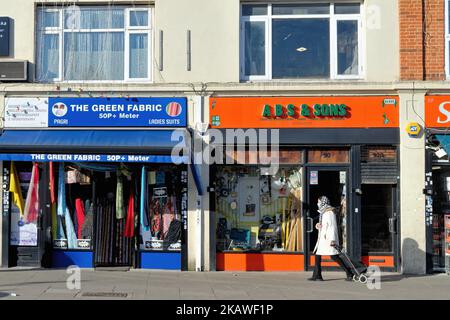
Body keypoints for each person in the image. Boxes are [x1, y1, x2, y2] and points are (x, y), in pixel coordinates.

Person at [308, 196, 354, 281]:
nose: (317, 204)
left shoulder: (329, 213)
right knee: (318, 255)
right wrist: (319, 226)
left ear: (323, 202)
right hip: (323, 238)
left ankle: (349, 273)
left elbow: (332, 226)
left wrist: (332, 240)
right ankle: (317, 275)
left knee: (334, 256)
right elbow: (326, 225)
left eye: (318, 202)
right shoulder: (324, 212)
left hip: (328, 239)